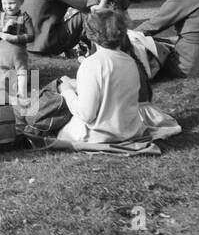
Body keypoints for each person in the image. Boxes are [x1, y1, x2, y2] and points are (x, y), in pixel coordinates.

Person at [57, 12, 147, 145]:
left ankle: (24, 120)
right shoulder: (130, 61)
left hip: (98, 135)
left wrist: (66, 91)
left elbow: (86, 115)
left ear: (90, 34)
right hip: (130, 131)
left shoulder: (91, 64)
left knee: (57, 122)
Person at [0, 0, 35, 73]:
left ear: (21, 2)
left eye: (11, 3)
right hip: (2, 60)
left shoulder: (24, 18)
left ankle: (27, 84)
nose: (8, 6)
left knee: (22, 75)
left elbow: (31, 36)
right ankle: (11, 85)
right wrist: (3, 29)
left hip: (19, 57)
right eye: (4, 3)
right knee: (4, 81)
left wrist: (14, 38)